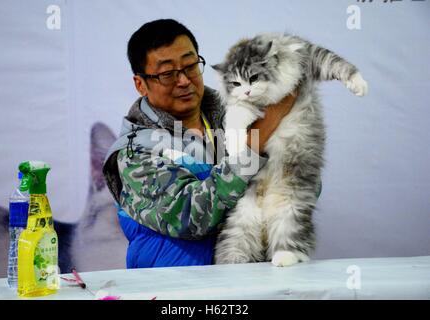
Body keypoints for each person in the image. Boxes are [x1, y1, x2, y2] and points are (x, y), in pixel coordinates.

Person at [102, 19, 297, 268]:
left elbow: (300, 189)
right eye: (167, 73)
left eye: (190, 66)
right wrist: (254, 145)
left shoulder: (243, 114)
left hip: (253, 283)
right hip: (175, 290)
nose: (183, 81)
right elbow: (190, 217)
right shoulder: (134, 152)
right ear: (141, 84)